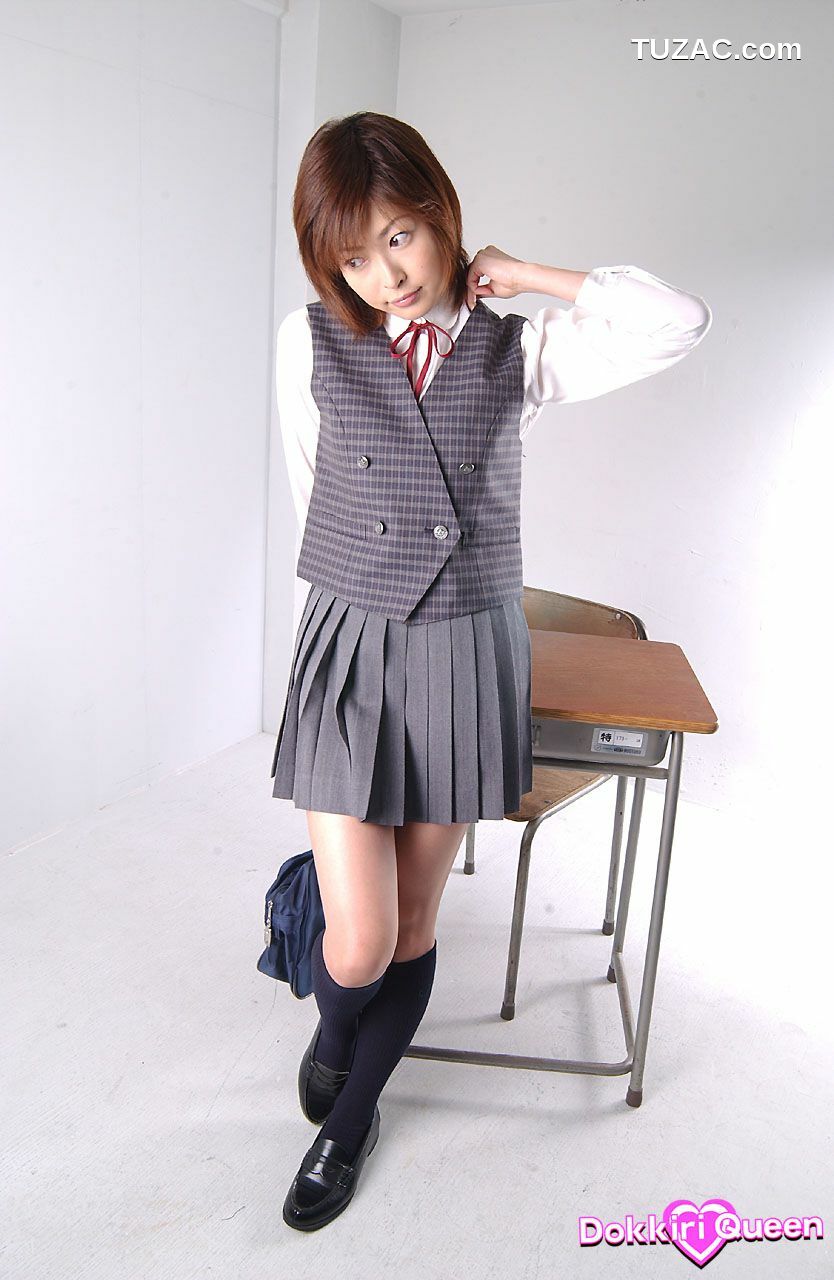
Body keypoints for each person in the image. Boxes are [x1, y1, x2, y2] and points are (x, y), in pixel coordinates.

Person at [270, 111, 712, 1232]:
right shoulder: (306, 341)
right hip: (353, 641)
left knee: (413, 927)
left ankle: (348, 1122)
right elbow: (314, 489)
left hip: (467, 648)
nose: (387, 277)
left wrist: (534, 276)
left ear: (441, 213)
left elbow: (678, 322)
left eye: (402, 236)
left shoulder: (519, 349)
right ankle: (334, 1026)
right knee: (359, 938)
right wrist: (357, 602)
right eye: (354, 258)